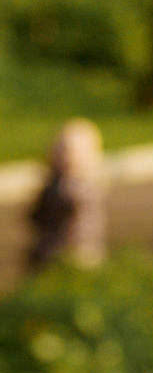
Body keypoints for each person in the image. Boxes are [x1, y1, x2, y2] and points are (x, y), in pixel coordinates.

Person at [24, 117, 107, 274]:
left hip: (76, 249)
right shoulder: (52, 182)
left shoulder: (83, 188)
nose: (63, 155)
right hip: (47, 246)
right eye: (59, 148)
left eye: (69, 150)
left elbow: (82, 223)